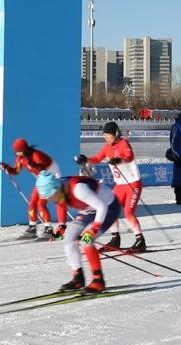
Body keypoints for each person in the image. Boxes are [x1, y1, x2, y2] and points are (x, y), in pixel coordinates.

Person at [35, 171, 121, 294]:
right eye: (48, 198)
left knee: (86, 240)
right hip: (88, 210)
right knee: (69, 238)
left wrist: (94, 229)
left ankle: (99, 280)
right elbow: (61, 204)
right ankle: (78, 278)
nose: (52, 200)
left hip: (108, 207)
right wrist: (61, 227)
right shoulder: (59, 191)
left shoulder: (78, 189)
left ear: (57, 188)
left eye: (53, 196)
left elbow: (102, 207)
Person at [79, 122, 146, 252]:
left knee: (128, 212)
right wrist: (85, 159)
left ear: (115, 134)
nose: (107, 138)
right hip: (120, 185)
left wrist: (119, 159)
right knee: (110, 209)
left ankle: (140, 240)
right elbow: (97, 158)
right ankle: (115, 239)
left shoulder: (123, 144)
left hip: (133, 183)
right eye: (105, 136)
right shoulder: (106, 147)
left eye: (109, 136)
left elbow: (129, 156)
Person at [0, 138, 60, 239]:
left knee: (41, 203)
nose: (19, 154)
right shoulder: (20, 158)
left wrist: (33, 164)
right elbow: (16, 171)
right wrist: (7, 168)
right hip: (41, 179)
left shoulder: (35, 155)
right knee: (32, 202)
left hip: (51, 176)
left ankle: (48, 229)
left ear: (26, 149)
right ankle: (32, 228)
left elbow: (42, 169)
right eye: (17, 152)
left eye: (21, 152)